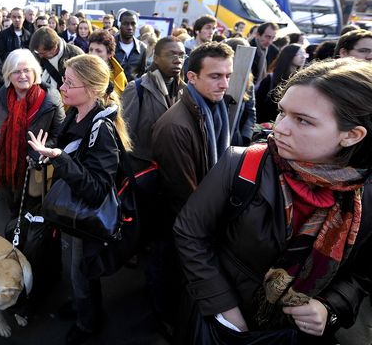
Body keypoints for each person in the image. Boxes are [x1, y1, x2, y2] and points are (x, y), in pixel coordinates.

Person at [173, 58, 372, 345]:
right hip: (223, 322)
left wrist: (330, 308)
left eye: (303, 120)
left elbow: (361, 274)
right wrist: (222, 307)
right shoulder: (241, 164)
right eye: (282, 112)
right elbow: (189, 232)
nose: (280, 128)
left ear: (351, 135)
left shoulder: (365, 196)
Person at [27, 54, 132, 345]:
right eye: (63, 80)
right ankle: (81, 306)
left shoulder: (103, 131)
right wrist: (43, 156)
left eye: (69, 83)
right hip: (71, 212)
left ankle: (88, 324)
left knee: (82, 273)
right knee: (75, 270)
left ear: (92, 89)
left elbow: (97, 190)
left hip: (86, 217)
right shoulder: (75, 113)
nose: (61, 87)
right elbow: (64, 149)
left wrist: (59, 159)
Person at [149, 42, 234, 334]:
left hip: (198, 215)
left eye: (227, 75)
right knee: (168, 273)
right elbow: (183, 195)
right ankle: (166, 319)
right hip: (177, 222)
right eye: (215, 76)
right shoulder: (176, 126)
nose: (224, 83)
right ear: (192, 77)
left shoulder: (214, 108)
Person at [0, 49, 65, 216]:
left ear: (35, 72)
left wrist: (39, 151)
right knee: (12, 211)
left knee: (32, 214)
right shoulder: (0, 97)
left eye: (26, 70)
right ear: (8, 75)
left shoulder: (50, 99)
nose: (22, 75)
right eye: (16, 71)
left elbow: (60, 135)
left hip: (35, 171)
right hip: (4, 167)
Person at [121, 36, 186, 172]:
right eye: (171, 54)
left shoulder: (185, 91)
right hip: (141, 169)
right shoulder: (138, 88)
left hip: (170, 168)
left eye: (181, 55)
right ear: (156, 58)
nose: (178, 60)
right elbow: (123, 136)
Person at [256, 44, 307, 124]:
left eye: (304, 54)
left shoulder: (303, 80)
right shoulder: (270, 79)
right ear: (289, 55)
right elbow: (258, 104)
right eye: (300, 54)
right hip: (267, 124)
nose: (303, 57)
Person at [88, 29, 127, 96]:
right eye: (91, 50)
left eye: (98, 51)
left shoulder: (118, 76)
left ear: (109, 54)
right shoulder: (80, 72)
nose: (93, 54)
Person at [114, 10, 147, 80]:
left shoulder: (142, 48)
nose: (129, 27)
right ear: (119, 25)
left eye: (133, 24)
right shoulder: (110, 44)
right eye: (125, 24)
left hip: (133, 89)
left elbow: (143, 73)